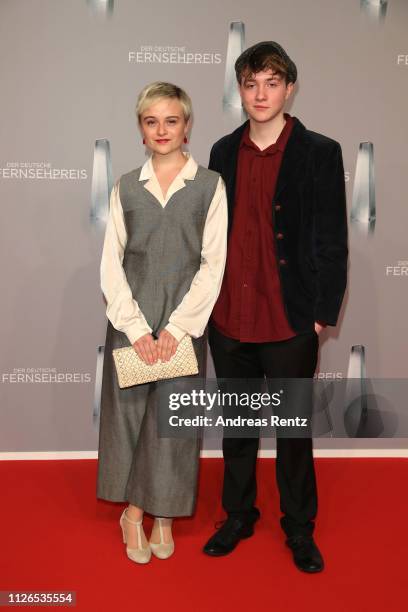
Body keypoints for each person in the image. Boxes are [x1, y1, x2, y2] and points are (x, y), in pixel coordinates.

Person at [203, 41, 348, 573]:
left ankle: (299, 527)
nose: (260, 93)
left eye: (271, 82)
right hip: (229, 316)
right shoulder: (221, 152)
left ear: (289, 88)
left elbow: (333, 239)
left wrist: (319, 312)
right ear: (239, 90)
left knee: (292, 430)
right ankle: (238, 516)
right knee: (238, 426)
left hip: (289, 317)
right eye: (250, 83)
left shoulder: (320, 152)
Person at [96, 81, 228, 564]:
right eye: (151, 121)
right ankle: (132, 513)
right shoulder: (126, 186)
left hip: (184, 327)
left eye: (171, 120)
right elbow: (111, 263)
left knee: (173, 423)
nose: (162, 130)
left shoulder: (211, 186)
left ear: (187, 126)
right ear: (141, 130)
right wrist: (137, 329)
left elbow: (213, 265)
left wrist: (176, 330)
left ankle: (166, 515)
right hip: (131, 321)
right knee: (129, 419)